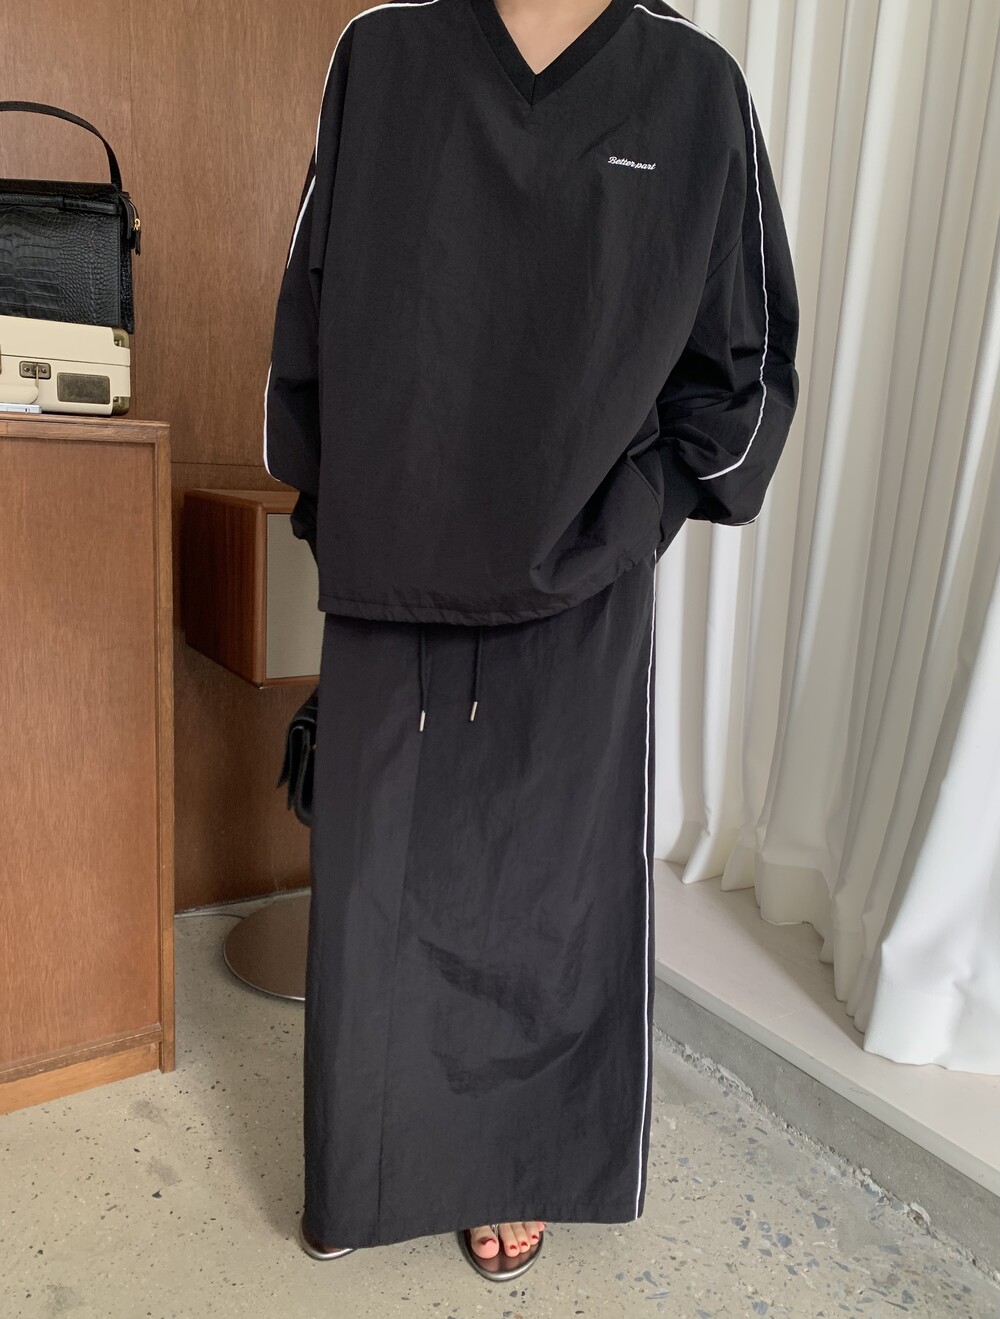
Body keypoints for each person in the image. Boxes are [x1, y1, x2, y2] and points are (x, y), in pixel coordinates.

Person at [263, 0, 799, 1283]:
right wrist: (344, 513)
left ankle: (515, 1160)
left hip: (585, 565)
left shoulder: (693, 86)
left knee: (545, 884)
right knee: (378, 874)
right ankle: (365, 1158)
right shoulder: (383, 53)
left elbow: (740, 364)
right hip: (395, 558)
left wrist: (633, 516)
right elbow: (311, 309)